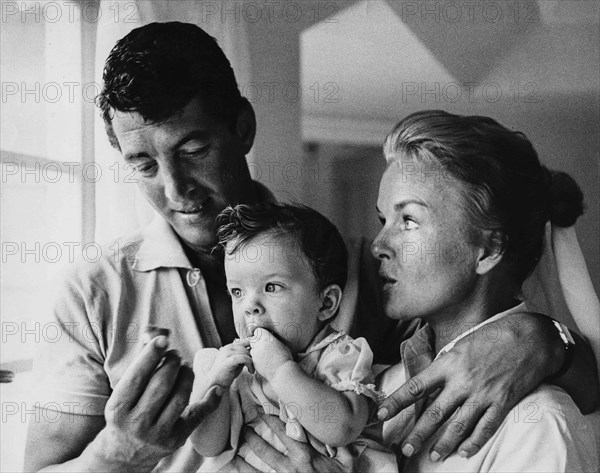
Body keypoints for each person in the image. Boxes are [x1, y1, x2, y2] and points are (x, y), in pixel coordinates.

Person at [23, 22, 598, 473]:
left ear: (243, 128)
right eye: (144, 165)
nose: (176, 191)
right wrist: (121, 453)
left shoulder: (355, 268)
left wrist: (542, 338)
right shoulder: (95, 292)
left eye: (193, 148)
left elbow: (539, 376)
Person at [372, 110, 598, 472]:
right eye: (383, 221)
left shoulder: (539, 426)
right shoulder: (375, 387)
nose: (378, 245)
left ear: (490, 250)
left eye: (409, 220)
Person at [191, 203, 396, 472]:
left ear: (325, 304)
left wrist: (280, 370)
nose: (250, 305)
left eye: (271, 287)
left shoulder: (339, 356)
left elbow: (342, 428)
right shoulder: (234, 369)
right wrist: (216, 385)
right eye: (237, 292)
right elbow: (207, 445)